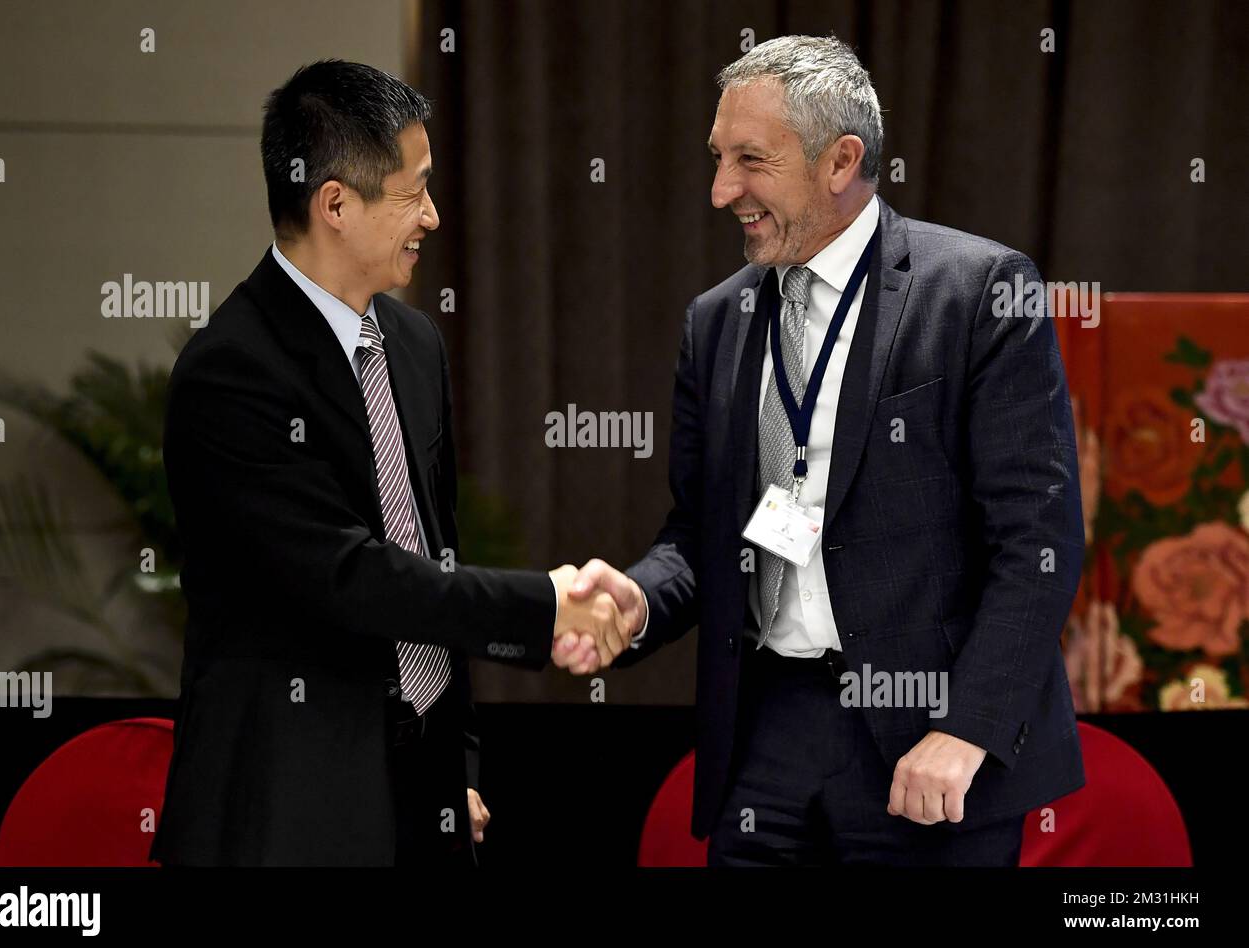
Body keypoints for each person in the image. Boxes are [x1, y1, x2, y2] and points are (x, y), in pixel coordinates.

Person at [564, 35, 1086, 865]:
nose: (721, 190)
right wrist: (638, 599)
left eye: (750, 161)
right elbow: (700, 532)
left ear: (841, 161)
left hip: (928, 745)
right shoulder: (715, 323)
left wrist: (967, 729)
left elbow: (1041, 542)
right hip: (766, 736)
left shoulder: (979, 292)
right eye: (717, 158)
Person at [150, 60, 629, 867]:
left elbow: (433, 548)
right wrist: (545, 607)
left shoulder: (412, 345)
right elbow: (352, 578)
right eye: (414, 191)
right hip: (291, 808)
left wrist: (457, 767)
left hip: (426, 798)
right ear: (335, 203)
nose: (434, 217)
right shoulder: (230, 370)